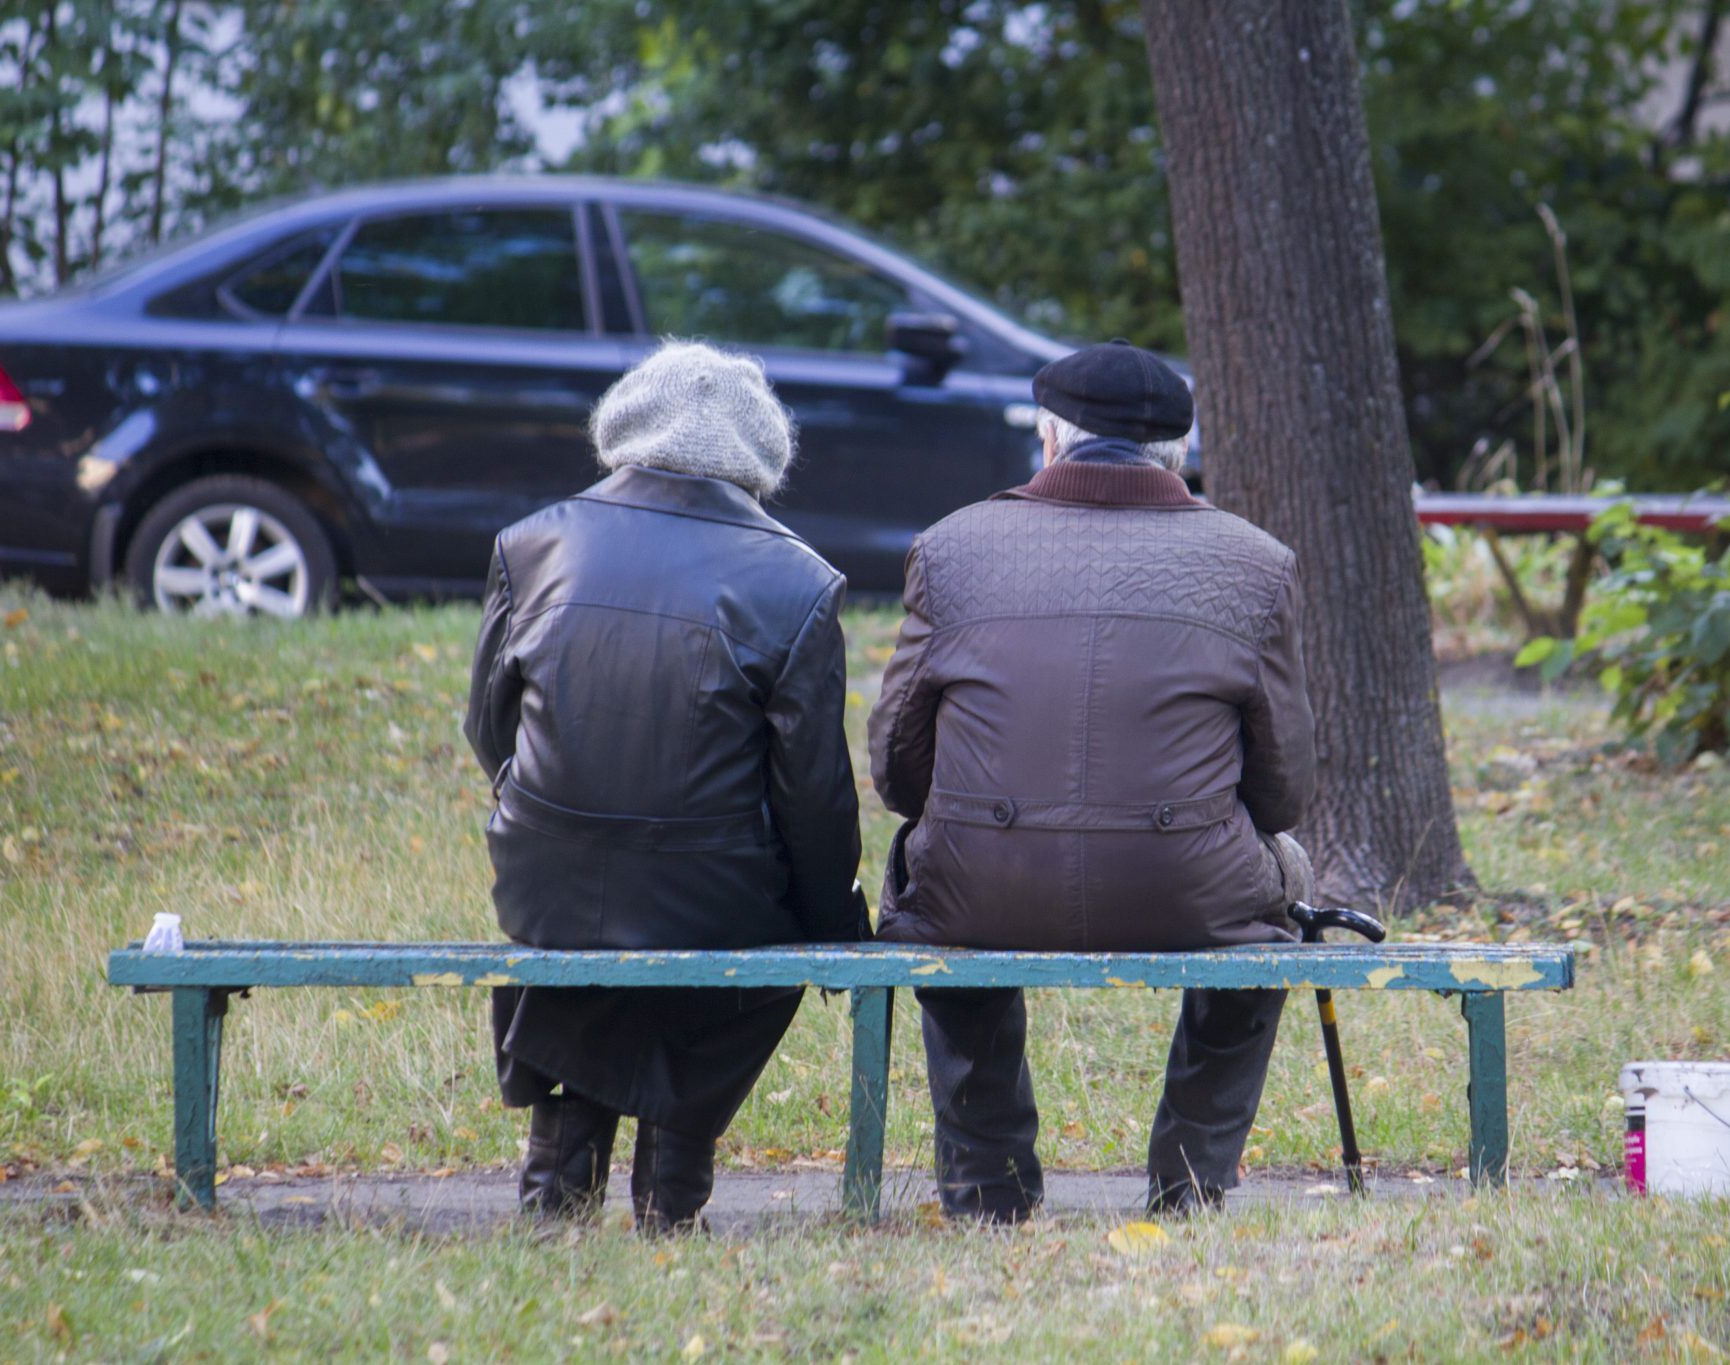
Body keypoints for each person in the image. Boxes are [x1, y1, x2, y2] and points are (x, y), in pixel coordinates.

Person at [868, 340, 1317, 1221]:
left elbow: (896, 769)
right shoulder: (1258, 562)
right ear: (1177, 456)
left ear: (1049, 438)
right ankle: (1189, 1186)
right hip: (1186, 883)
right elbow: (1282, 793)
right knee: (1280, 890)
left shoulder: (950, 546)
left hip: (982, 882)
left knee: (937, 878)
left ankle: (985, 1183)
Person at [465, 341, 866, 1234]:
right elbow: (811, 796)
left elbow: (488, 725)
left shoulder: (530, 543)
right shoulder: (797, 581)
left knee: (587, 924)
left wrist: (547, 799)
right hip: (710, 890)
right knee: (748, 942)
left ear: (624, 431)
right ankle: (672, 1180)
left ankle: (558, 1174)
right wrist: (836, 918)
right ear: (761, 457)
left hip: (542, 870)